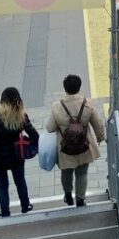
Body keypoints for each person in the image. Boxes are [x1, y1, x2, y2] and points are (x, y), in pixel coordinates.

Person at [46, 74, 105, 207]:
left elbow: (49, 128)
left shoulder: (57, 106)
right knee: (82, 173)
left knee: (66, 172)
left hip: (65, 148)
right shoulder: (87, 104)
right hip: (84, 146)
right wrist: (100, 137)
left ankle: (68, 195)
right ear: (79, 87)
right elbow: (98, 124)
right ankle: (80, 199)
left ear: (65, 88)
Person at [0, 87, 37, 217]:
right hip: (17, 156)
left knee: (2, 186)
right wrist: (30, 146)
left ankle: (5, 212)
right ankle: (25, 206)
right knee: (20, 181)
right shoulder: (21, 117)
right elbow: (35, 136)